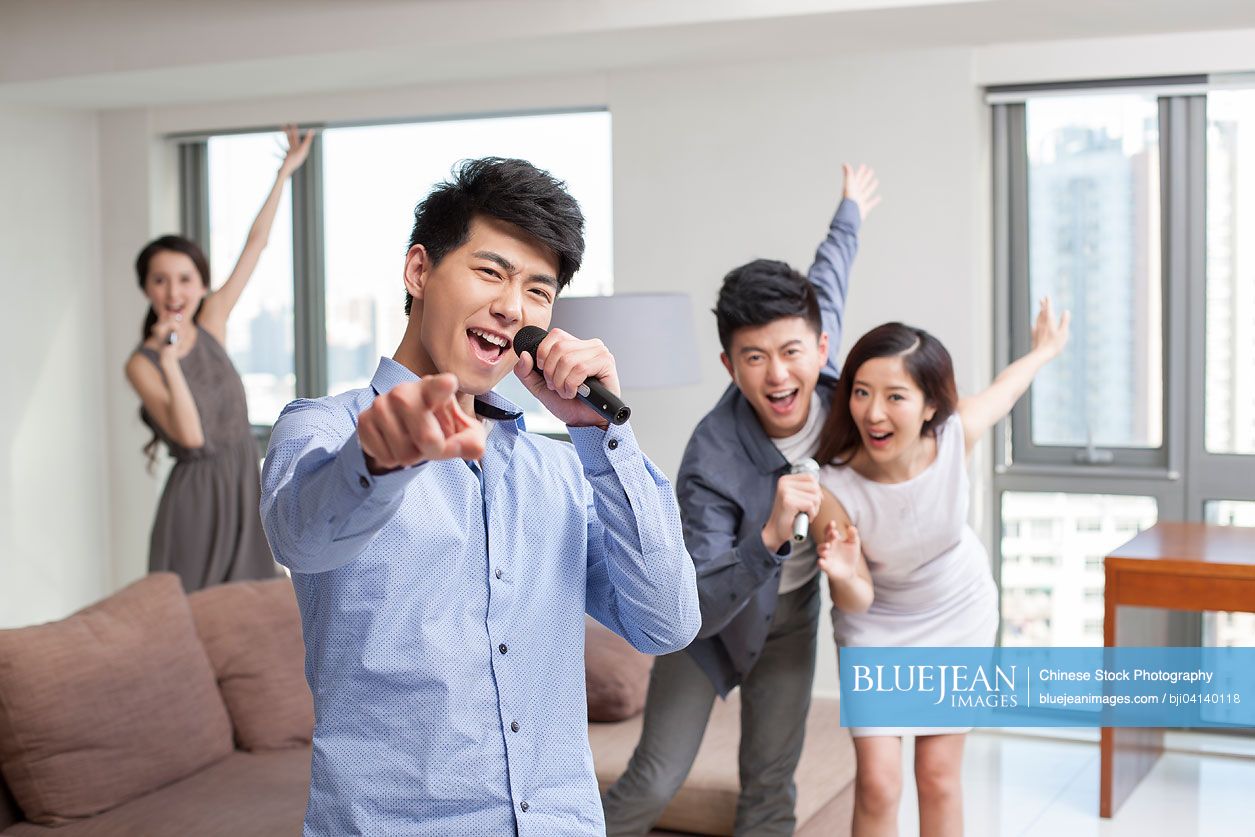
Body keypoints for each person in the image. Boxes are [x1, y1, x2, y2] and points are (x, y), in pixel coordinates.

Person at [259, 157, 700, 837]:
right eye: (491, 272)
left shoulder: (562, 471)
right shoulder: (324, 430)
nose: (512, 307)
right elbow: (304, 536)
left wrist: (600, 435)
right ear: (418, 272)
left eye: (537, 290)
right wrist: (378, 458)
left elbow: (666, 621)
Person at [602, 165, 881, 836]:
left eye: (791, 350)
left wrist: (848, 210)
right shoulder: (710, 458)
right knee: (653, 779)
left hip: (788, 621)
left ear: (820, 346)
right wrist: (768, 537)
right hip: (704, 629)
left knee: (768, 784)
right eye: (753, 357)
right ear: (729, 364)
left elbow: (830, 272)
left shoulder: (841, 384)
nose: (777, 373)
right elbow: (695, 600)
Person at [810, 301, 1070, 836]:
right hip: (876, 623)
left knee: (938, 777)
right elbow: (858, 598)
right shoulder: (833, 485)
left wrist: (1044, 351)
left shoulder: (955, 437)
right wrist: (841, 574)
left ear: (931, 406)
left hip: (958, 610)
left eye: (895, 396)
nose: (873, 412)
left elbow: (1006, 389)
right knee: (880, 783)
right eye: (861, 392)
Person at [125, 124, 313, 592]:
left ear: (200, 282)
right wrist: (169, 361)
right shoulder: (143, 364)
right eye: (161, 280)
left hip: (242, 486)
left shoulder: (213, 319)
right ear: (146, 288)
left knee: (253, 612)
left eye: (185, 279)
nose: (174, 292)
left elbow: (256, 244)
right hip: (196, 500)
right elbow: (191, 437)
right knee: (194, 621)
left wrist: (284, 172)